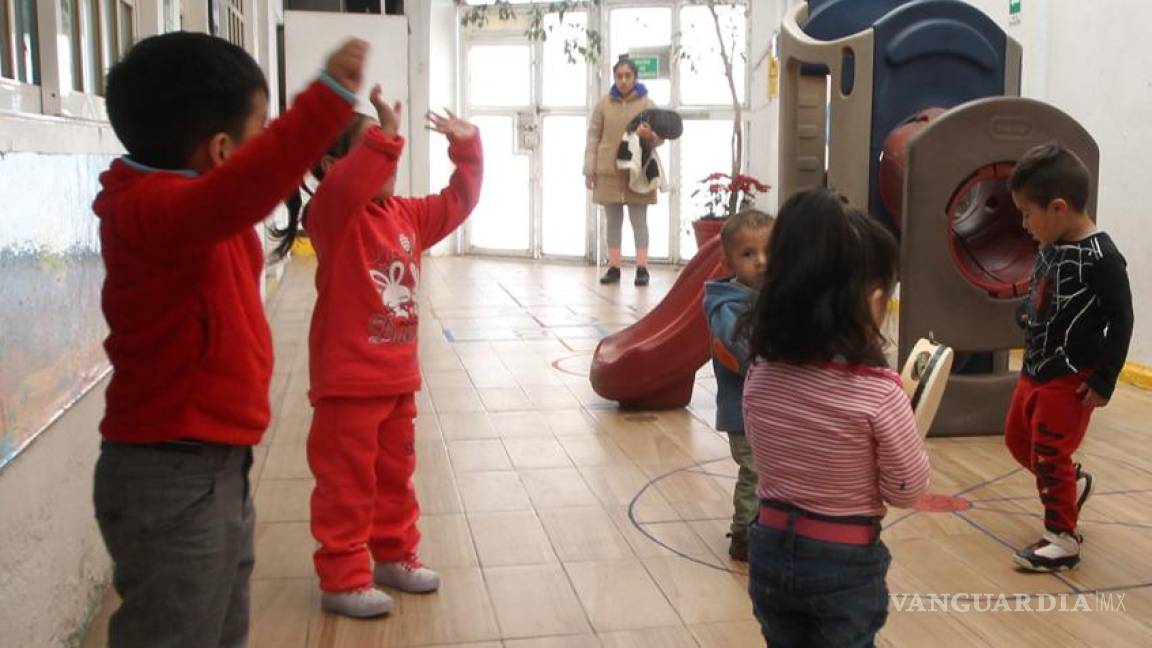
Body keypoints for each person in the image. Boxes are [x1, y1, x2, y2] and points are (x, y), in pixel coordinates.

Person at [91, 32, 366, 647]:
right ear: (220, 151)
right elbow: (240, 193)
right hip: (171, 474)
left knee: (219, 625)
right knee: (177, 631)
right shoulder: (155, 210)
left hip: (211, 463)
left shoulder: (183, 208)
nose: (269, 144)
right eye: (261, 131)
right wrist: (323, 105)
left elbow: (233, 199)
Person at [272, 87, 483, 617]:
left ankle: (394, 555)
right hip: (347, 384)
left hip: (397, 380)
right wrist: (384, 137)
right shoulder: (331, 215)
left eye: (392, 148)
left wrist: (468, 151)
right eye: (373, 149)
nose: (390, 157)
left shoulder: (405, 215)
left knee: (395, 476)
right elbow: (345, 188)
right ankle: (342, 577)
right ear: (329, 165)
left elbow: (458, 201)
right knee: (347, 484)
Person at [742, 189, 930, 646]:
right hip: (843, 562)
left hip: (766, 550)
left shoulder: (760, 374)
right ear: (870, 301)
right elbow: (908, 490)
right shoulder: (880, 393)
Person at [1005, 143, 1134, 572]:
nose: (1024, 224)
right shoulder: (1050, 243)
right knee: (1017, 440)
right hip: (1033, 369)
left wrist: (1105, 381)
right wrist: (1029, 311)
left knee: (1047, 451)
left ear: (1058, 207)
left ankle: (1063, 538)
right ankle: (1070, 483)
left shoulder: (1102, 258)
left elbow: (1121, 319)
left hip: (1069, 378)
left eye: (1027, 213)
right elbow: (1046, 291)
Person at [703, 208, 774, 562]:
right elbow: (744, 349)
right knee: (755, 471)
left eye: (769, 252)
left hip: (773, 409)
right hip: (744, 411)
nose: (761, 262)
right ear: (728, 261)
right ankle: (744, 533)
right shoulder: (726, 305)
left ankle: (766, 525)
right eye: (748, 255)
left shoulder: (774, 295)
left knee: (771, 471)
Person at [584, 54, 663, 286]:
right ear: (615, 78)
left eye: (628, 76)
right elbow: (593, 136)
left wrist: (651, 136)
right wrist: (590, 169)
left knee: (639, 220)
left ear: (635, 77)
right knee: (613, 221)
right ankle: (614, 267)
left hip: (638, 170)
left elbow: (661, 137)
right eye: (619, 76)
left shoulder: (648, 104)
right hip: (608, 170)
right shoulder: (603, 104)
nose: (624, 80)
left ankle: (642, 268)